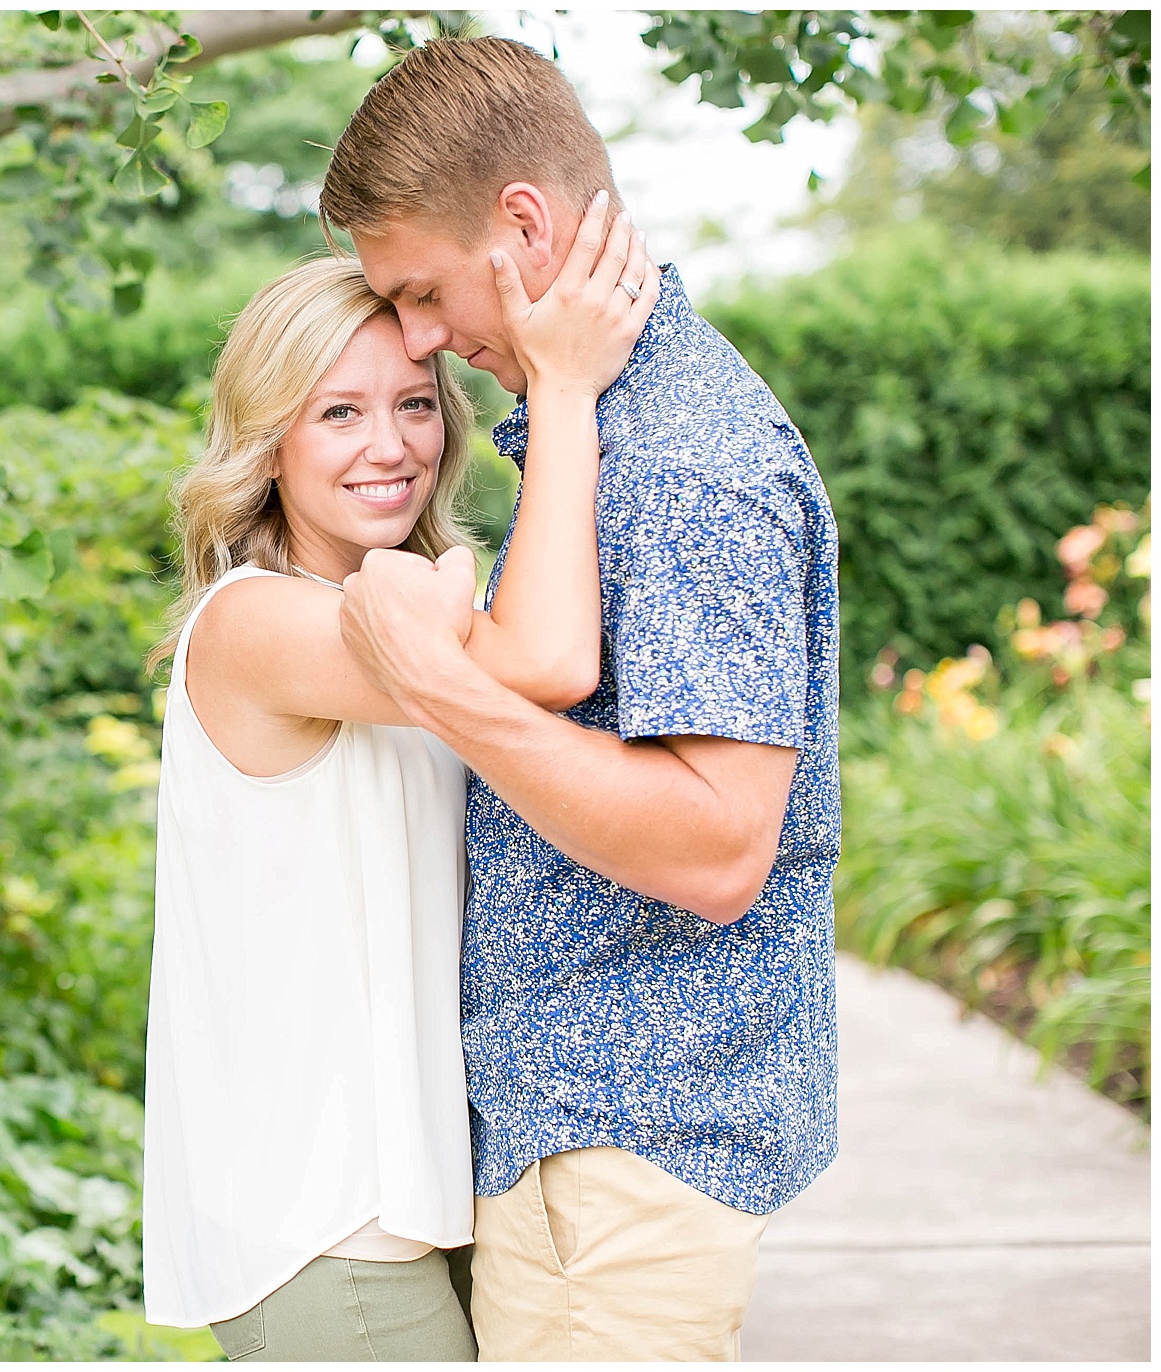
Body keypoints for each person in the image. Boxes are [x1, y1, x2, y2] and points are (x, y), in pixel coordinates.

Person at [317, 36, 842, 1362]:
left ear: (524, 225)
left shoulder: (684, 464)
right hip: (565, 1129)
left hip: (638, 1149)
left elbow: (721, 848)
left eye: (424, 293)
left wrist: (439, 687)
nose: (423, 340)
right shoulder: (601, 430)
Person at [141, 201, 657, 1360]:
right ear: (267, 441)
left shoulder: (397, 612)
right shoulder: (256, 625)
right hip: (321, 1228)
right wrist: (563, 389)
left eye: (414, 403)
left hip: (408, 1209)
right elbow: (546, 661)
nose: (390, 446)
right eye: (338, 413)